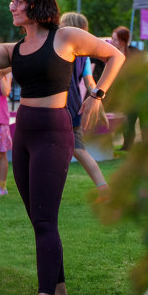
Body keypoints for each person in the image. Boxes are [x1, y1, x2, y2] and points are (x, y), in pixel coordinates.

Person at [0, 0, 125, 295]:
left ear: (35, 6)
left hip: (54, 133)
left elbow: (115, 55)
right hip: (24, 132)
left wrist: (97, 94)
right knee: (39, 217)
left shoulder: (65, 37)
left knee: (43, 219)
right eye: (11, 2)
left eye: (17, 2)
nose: (11, 7)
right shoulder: (15, 49)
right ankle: (59, 289)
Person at [58, 13, 110, 201]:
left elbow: (90, 84)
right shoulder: (84, 57)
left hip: (59, 105)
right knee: (77, 150)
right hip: (74, 107)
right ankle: (103, 188)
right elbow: (91, 84)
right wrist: (100, 105)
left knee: (68, 150)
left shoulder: (58, 48)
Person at [109, 26, 148, 150]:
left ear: (122, 41)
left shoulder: (135, 53)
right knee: (128, 121)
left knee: (145, 120)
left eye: (114, 39)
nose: (112, 42)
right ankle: (127, 146)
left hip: (141, 91)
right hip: (127, 94)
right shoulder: (114, 55)